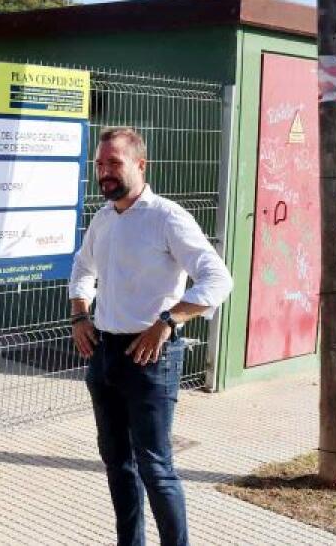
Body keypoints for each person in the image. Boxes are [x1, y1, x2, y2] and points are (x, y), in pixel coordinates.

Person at [69, 127, 233, 546]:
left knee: (155, 468)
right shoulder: (104, 218)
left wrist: (169, 321)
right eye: (100, 164)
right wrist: (80, 315)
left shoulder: (167, 218)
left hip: (150, 360)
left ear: (141, 165)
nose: (104, 172)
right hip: (104, 355)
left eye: (114, 163)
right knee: (117, 463)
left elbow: (218, 279)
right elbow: (83, 268)